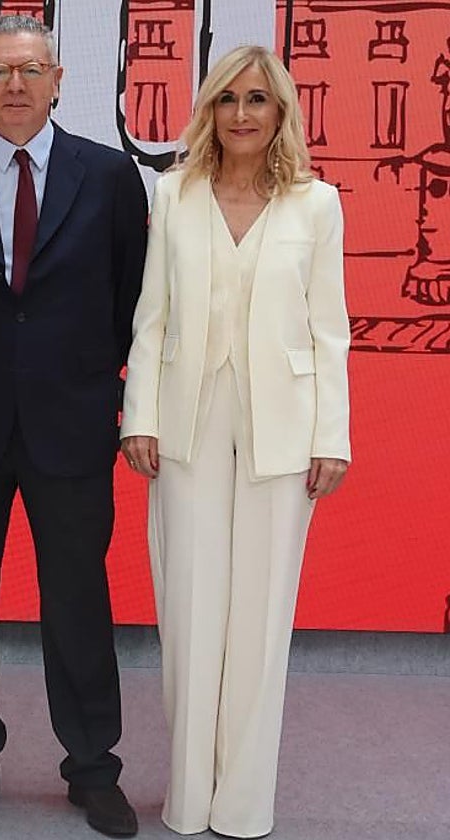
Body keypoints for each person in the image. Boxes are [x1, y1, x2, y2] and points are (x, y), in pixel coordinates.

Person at [0, 15, 146, 837]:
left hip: (72, 423)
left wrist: (93, 386)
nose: (15, 85)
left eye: (30, 70)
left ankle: (92, 767)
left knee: (78, 602)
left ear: (57, 80)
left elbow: (129, 300)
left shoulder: (111, 175)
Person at [120, 45, 350, 838]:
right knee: (189, 609)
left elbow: (329, 331)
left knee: (260, 616)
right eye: (228, 100)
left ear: (281, 110)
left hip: (283, 428)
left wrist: (333, 435)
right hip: (185, 418)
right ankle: (188, 797)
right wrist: (139, 416)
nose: (242, 114)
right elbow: (152, 318)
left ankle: (244, 802)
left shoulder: (317, 205)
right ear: (210, 111)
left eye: (258, 99)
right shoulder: (174, 192)